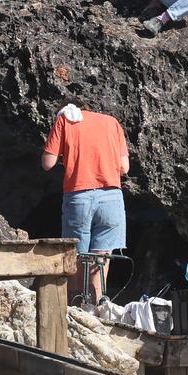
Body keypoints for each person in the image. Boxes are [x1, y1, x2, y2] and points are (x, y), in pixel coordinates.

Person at [41, 102, 129, 305]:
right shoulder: (112, 123)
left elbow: (48, 163)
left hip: (79, 196)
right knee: (101, 257)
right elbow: (124, 167)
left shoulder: (65, 120)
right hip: (111, 198)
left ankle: (75, 305)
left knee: (76, 254)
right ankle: (97, 308)